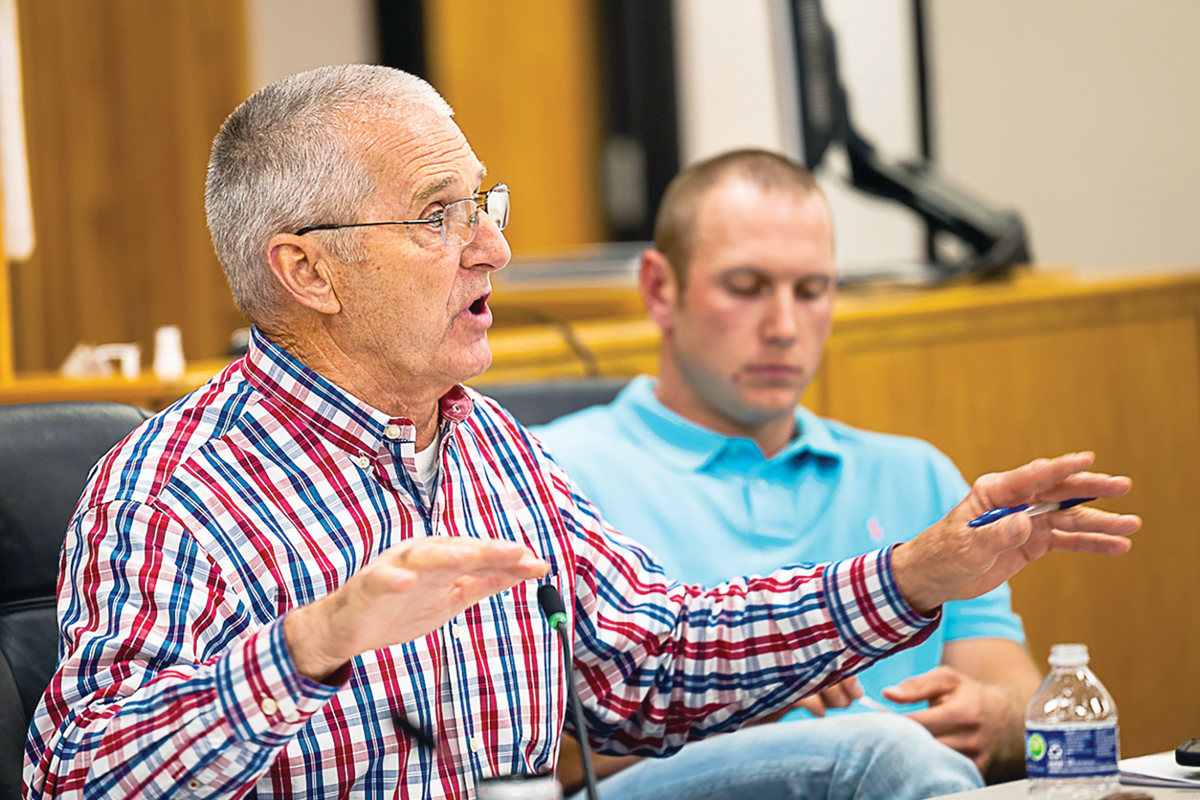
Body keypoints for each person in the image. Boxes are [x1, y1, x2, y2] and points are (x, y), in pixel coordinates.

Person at [23, 66, 1139, 800]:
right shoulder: (173, 487)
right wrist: (310, 645)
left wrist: (912, 572)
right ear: (306, 269)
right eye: (438, 216)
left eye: (484, 204)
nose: (492, 249)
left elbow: (651, 658)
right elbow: (82, 780)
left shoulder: (492, 447)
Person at [533, 149, 1050, 790]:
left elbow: (1021, 698)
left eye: (812, 291)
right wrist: (736, 701)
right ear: (660, 290)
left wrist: (997, 720)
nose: (783, 326)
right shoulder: (545, 474)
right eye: (746, 288)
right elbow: (521, 759)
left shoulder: (914, 473)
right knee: (884, 751)